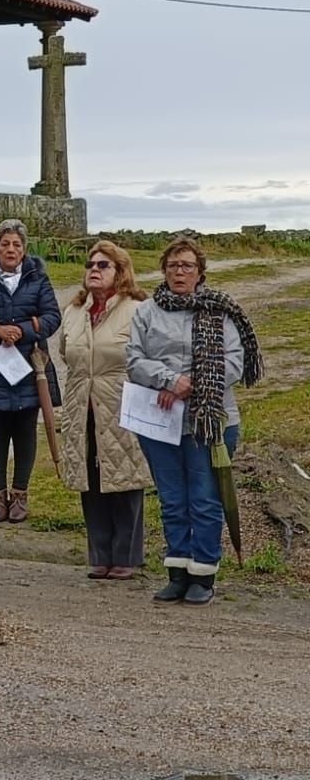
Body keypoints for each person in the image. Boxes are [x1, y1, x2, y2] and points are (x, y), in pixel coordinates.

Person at [127, 237, 263, 605]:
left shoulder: (220, 312)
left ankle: (203, 573)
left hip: (212, 422)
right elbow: (134, 360)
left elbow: (232, 363)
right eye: (173, 265)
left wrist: (192, 387)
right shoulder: (146, 312)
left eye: (187, 265)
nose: (180, 272)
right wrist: (169, 381)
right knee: (172, 498)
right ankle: (177, 571)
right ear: (164, 270)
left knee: (204, 498)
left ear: (200, 272)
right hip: (161, 421)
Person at [58, 240, 151, 579]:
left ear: (120, 272)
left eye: (102, 266)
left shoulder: (139, 308)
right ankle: (99, 554)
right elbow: (65, 352)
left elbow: (151, 356)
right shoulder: (74, 311)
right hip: (82, 402)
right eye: (90, 265)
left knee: (124, 478)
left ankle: (126, 556)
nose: (93, 270)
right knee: (90, 477)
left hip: (123, 401)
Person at [0, 219, 61, 524]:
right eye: (5, 244)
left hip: (30, 365)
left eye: (17, 244)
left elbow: (52, 317)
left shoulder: (37, 279)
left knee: (26, 429)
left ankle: (19, 495)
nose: (11, 249)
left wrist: (24, 329)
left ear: (24, 249)